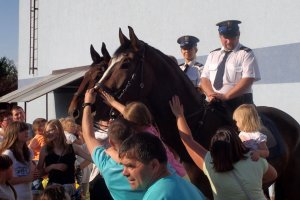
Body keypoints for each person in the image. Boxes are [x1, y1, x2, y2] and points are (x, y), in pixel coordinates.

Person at [169, 95, 277, 200]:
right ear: (239, 142)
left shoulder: (209, 164)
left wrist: (179, 116)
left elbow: (188, 141)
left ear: (214, 149)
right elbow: (273, 175)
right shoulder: (255, 158)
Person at [101, 91, 188, 178]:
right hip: (178, 168)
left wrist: (109, 152)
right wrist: (113, 103)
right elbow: (131, 113)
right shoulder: (149, 125)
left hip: (171, 174)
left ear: (134, 124)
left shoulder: (144, 139)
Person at [82, 88, 145, 200]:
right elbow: (140, 120)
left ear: (110, 141)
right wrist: (114, 103)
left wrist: (87, 104)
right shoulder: (148, 161)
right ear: (134, 134)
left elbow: (88, 135)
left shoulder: (105, 163)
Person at [118, 132, 206, 200]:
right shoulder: (185, 185)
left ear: (154, 165)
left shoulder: (157, 195)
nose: (124, 173)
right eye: (123, 166)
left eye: (130, 166)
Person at [201, 20, 261, 114]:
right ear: (219, 36)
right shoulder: (213, 54)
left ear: (238, 34)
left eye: (232, 37)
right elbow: (204, 79)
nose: (228, 41)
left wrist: (226, 96)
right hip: (215, 103)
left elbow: (248, 79)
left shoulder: (246, 53)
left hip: (240, 105)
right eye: (225, 37)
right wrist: (210, 94)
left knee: (251, 127)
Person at [37, 119, 92, 200]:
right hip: (53, 191)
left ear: (58, 129)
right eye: (46, 131)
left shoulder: (72, 147)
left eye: (51, 130)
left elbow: (91, 158)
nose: (47, 133)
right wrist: (52, 166)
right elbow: (39, 173)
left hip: (70, 189)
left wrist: (79, 167)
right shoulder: (45, 149)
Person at [233, 104, 275, 199]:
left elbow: (266, 152)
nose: (235, 124)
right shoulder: (240, 135)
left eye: (237, 121)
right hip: (244, 164)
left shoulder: (258, 136)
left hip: (255, 164)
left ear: (244, 121)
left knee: (256, 186)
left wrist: (258, 153)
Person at [0, 121, 38, 200]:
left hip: (28, 195)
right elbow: (5, 180)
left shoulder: (29, 152)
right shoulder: (8, 154)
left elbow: (32, 175)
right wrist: (27, 178)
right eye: (22, 130)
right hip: (14, 196)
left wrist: (35, 172)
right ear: (14, 134)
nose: (26, 132)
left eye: (26, 129)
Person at [28, 118, 47, 199]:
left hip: (34, 160)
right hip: (39, 160)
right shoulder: (42, 137)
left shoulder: (35, 137)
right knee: (38, 177)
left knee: (37, 177)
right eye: (45, 126)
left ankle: (36, 190)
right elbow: (44, 148)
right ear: (39, 129)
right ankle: (37, 191)